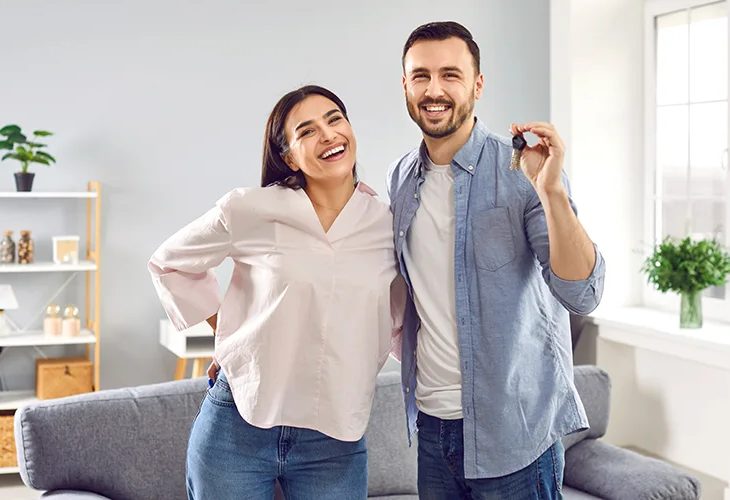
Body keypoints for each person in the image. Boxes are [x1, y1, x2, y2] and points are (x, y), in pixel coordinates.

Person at [148, 85, 404, 500]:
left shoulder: (389, 225)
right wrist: (227, 335)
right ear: (288, 156)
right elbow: (170, 262)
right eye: (307, 131)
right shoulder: (250, 209)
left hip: (335, 438)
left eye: (335, 119)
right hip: (237, 427)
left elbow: (399, 319)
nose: (328, 135)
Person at [386, 21, 606, 499]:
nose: (434, 89)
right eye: (420, 76)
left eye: (451, 74)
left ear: (477, 85)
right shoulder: (400, 178)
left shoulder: (522, 169)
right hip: (432, 428)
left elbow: (583, 292)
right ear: (404, 84)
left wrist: (550, 192)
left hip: (516, 433)